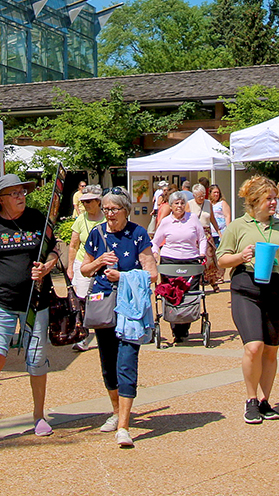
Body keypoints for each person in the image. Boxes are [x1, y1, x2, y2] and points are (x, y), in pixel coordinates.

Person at [0, 174, 59, 444]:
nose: (20, 197)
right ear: (0, 200)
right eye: (14, 193)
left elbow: (54, 248)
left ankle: (39, 416)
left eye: (22, 192)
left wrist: (47, 266)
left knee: (36, 360)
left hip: (35, 302)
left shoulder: (36, 218)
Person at [216, 176, 279, 425]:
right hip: (246, 287)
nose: (275, 202)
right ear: (254, 202)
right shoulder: (237, 226)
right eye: (270, 198)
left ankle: (265, 401)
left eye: (275, 198)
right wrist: (241, 256)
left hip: (277, 289)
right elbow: (222, 259)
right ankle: (251, 399)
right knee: (253, 346)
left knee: (271, 350)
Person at [81, 187, 158, 448]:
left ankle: (124, 426)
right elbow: (84, 268)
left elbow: (152, 273)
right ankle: (116, 412)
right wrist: (98, 262)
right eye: (106, 210)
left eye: (114, 209)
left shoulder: (138, 234)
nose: (109, 214)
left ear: (126, 210)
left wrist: (123, 276)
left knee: (127, 361)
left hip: (130, 307)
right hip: (103, 303)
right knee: (108, 363)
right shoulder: (97, 233)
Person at [152, 190, 208, 342]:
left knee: (189, 293)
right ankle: (176, 328)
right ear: (170, 205)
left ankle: (184, 328)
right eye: (176, 203)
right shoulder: (166, 222)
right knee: (172, 293)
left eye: (182, 203)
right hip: (170, 261)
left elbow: (202, 238)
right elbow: (155, 242)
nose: (179, 206)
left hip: (190, 260)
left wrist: (202, 253)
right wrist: (155, 253)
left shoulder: (193, 219)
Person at [68, 185, 105, 352]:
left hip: (103, 264)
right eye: (83, 202)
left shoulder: (106, 218)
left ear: (98, 202)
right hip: (83, 263)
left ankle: (105, 330)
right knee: (82, 300)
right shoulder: (80, 220)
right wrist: (70, 268)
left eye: (89, 201)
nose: (85, 205)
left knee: (103, 299)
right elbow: (73, 246)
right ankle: (83, 335)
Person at [188, 184, 222, 291]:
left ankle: (213, 281)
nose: (201, 198)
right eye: (199, 196)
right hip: (194, 234)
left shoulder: (208, 204)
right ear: (194, 195)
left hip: (207, 233)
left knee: (210, 258)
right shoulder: (189, 204)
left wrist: (219, 232)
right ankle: (197, 281)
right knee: (196, 259)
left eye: (203, 195)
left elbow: (212, 219)